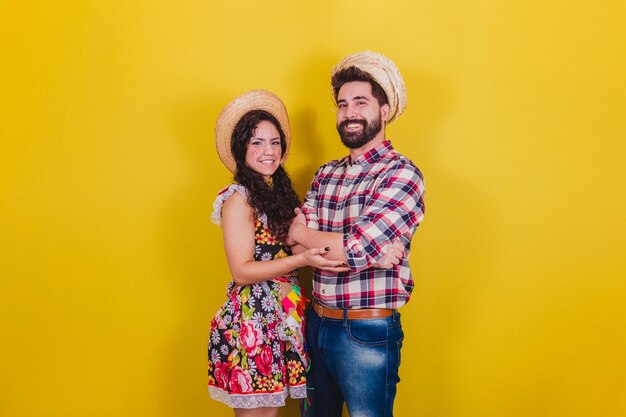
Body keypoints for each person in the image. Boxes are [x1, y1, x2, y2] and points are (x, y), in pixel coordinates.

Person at [287, 51, 426, 417]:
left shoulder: (402, 175)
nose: (349, 112)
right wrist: (360, 251)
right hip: (315, 324)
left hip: (366, 332)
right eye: (342, 104)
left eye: (360, 102)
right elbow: (294, 239)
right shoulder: (325, 174)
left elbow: (348, 248)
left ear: (383, 111)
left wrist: (326, 241)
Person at [207, 90, 349, 417]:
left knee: (270, 413)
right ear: (241, 149)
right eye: (256, 142)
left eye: (274, 142)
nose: (268, 151)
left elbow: (305, 240)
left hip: (278, 318)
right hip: (252, 322)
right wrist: (302, 260)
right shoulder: (238, 200)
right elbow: (242, 271)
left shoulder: (275, 196)